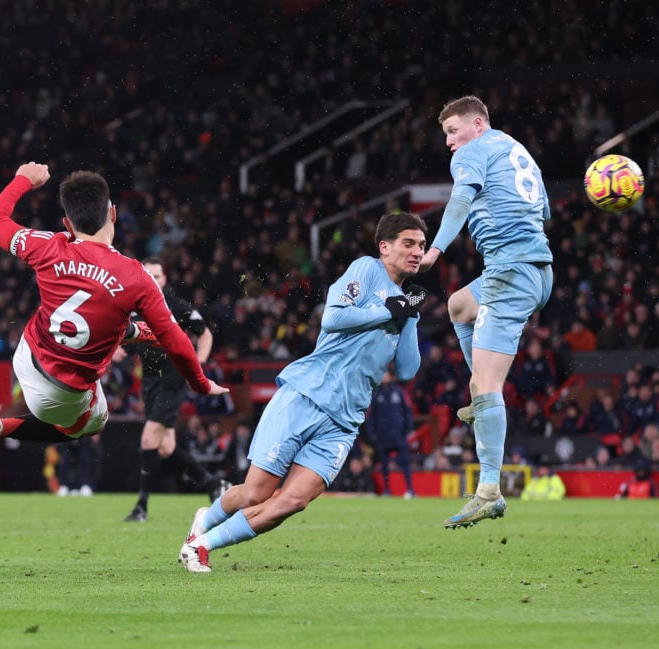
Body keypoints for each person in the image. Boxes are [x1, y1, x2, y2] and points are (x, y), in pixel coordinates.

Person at [178, 210, 427, 573]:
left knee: (294, 500)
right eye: (408, 243)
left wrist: (410, 315)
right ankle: (206, 518)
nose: (417, 251)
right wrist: (389, 308)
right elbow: (333, 318)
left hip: (346, 420)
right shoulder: (366, 270)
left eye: (421, 245)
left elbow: (406, 370)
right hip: (307, 396)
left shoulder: (404, 303)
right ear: (385, 247)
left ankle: (202, 545)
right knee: (255, 493)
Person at [0, 163, 227, 445]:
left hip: (26, 357)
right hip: (63, 395)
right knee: (93, 422)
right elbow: (176, 340)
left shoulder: (47, 245)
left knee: (93, 313)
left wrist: (22, 179)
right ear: (113, 214)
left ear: (67, 223)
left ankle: (131, 331)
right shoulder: (136, 276)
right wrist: (201, 383)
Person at [418, 95, 554, 528]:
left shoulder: (474, 153)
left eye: (453, 132)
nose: (449, 143)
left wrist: (436, 248)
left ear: (477, 124)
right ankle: (483, 400)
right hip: (535, 269)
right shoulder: (517, 149)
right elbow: (543, 210)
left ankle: (489, 491)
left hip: (510, 274)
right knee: (458, 305)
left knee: (485, 382)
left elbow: (459, 202)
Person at [123, 258, 229, 523]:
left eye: (157, 276)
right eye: (148, 275)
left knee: (149, 440)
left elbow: (204, 335)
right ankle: (213, 483)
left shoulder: (175, 306)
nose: (153, 280)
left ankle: (141, 507)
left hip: (174, 378)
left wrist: (199, 367)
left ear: (165, 279)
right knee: (165, 447)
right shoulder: (132, 307)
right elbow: (122, 341)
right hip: (150, 382)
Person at [363, 370, 417, 498]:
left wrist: (408, 429)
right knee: (384, 465)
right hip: (383, 436)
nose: (383, 377)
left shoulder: (399, 392)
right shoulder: (376, 394)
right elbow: (371, 417)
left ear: (391, 376)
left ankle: (410, 489)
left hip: (399, 435)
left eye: (385, 374)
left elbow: (408, 411)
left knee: (404, 463)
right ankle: (387, 491)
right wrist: (372, 434)